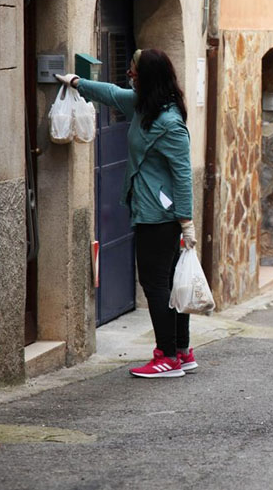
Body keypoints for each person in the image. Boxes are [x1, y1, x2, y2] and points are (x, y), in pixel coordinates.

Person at [56, 48, 198, 378]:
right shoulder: (144, 106)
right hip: (152, 212)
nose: (130, 74)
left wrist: (187, 223)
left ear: (147, 76)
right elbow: (111, 93)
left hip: (160, 217)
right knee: (170, 283)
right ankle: (182, 351)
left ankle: (166, 357)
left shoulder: (169, 124)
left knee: (156, 284)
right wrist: (78, 83)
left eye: (134, 70)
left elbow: (183, 175)